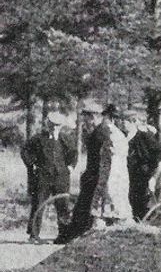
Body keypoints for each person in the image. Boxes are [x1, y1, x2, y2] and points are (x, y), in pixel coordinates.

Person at [20, 112, 75, 242]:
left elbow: (74, 154)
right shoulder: (38, 138)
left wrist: (71, 167)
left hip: (61, 178)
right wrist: (31, 164)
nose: (54, 128)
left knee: (63, 206)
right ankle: (34, 235)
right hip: (43, 178)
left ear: (61, 126)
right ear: (47, 124)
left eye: (57, 125)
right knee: (38, 204)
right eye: (52, 125)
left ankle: (64, 235)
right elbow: (25, 151)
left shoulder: (65, 139)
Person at [59, 100, 107, 242]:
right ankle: (75, 234)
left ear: (94, 117)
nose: (85, 122)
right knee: (83, 207)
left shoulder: (100, 134)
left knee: (85, 207)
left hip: (95, 177)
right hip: (91, 176)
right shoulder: (96, 133)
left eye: (87, 118)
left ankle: (74, 235)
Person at [126, 111, 161, 220]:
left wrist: (151, 168)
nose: (122, 124)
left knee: (140, 195)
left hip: (141, 171)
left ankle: (140, 217)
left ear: (133, 122)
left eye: (124, 121)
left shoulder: (144, 136)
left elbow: (159, 151)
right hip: (129, 171)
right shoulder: (125, 136)